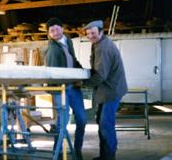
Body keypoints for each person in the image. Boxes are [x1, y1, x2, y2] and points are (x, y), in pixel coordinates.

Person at [83, 20, 128, 160]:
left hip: (111, 91)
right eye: (88, 33)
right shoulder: (98, 43)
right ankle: (105, 155)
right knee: (102, 123)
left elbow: (100, 75)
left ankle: (109, 157)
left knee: (106, 125)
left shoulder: (103, 47)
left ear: (101, 32)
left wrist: (84, 84)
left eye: (93, 33)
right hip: (108, 90)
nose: (90, 36)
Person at [45, 17, 87, 160]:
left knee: (82, 119)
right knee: (62, 121)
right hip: (60, 89)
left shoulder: (68, 41)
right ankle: (55, 153)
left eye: (57, 29)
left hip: (73, 88)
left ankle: (78, 149)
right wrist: (55, 89)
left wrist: (82, 73)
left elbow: (73, 60)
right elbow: (52, 73)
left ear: (62, 29)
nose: (55, 32)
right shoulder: (52, 49)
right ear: (49, 34)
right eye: (52, 31)